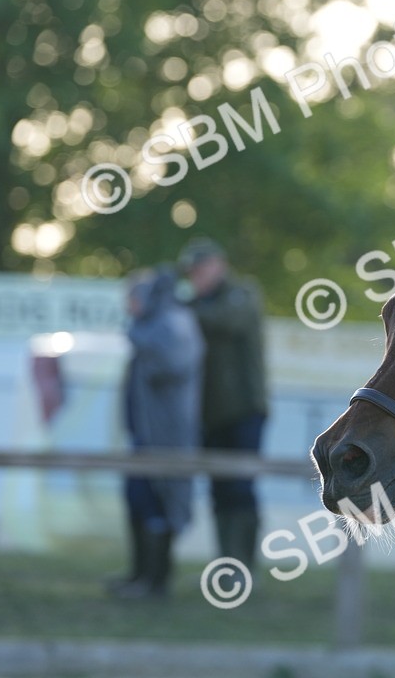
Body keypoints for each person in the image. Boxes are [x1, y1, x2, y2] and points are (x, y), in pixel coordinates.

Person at [109, 268, 204, 599]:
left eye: (132, 298)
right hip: (145, 437)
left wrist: (139, 335)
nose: (128, 306)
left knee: (159, 504)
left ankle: (156, 581)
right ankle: (140, 575)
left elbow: (175, 363)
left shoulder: (172, 322)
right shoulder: (155, 323)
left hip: (167, 437)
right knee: (138, 502)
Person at [178, 238, 268, 571]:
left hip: (244, 411)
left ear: (219, 264)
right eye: (192, 272)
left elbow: (227, 321)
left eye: (201, 269)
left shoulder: (242, 293)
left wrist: (184, 307)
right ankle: (228, 564)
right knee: (220, 491)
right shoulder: (199, 303)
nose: (196, 277)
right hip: (211, 414)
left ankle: (245, 566)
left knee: (241, 489)